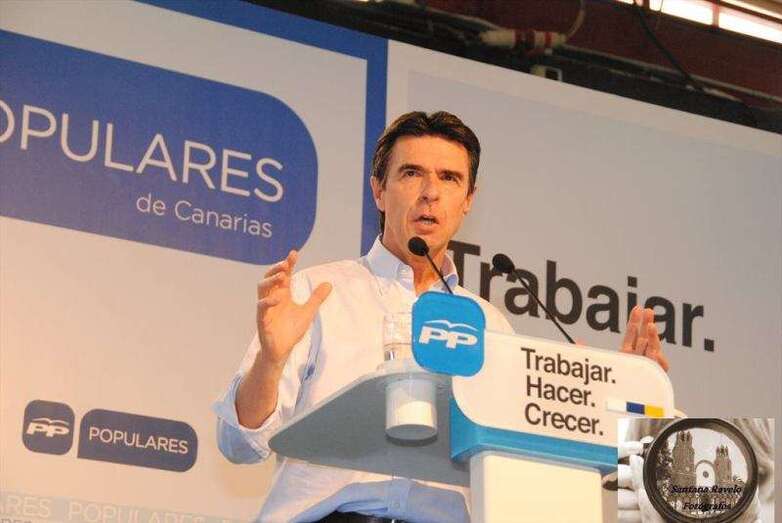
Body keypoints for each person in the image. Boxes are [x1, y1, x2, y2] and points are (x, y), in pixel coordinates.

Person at [213, 111, 669, 523]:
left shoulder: (490, 327)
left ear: (468, 199)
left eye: (450, 178)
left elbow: (531, 459)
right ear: (378, 190)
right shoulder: (317, 293)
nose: (430, 192)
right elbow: (239, 444)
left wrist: (623, 394)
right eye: (411, 173)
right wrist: (270, 361)